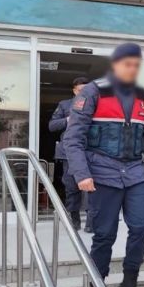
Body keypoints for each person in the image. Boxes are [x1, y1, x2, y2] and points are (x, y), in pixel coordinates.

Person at [62, 43, 144, 287]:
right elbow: (73, 138)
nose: (132, 69)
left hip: (135, 174)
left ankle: (129, 286)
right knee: (105, 235)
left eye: (136, 65)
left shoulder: (143, 96)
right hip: (102, 174)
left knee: (141, 228)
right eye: (127, 64)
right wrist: (82, 173)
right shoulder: (93, 92)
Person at [49, 76, 89, 231]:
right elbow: (52, 126)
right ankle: (74, 220)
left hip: (90, 152)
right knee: (72, 188)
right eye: (80, 90)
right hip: (69, 154)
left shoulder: (96, 105)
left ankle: (91, 223)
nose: (84, 93)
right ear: (74, 91)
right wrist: (68, 119)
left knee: (92, 188)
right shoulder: (64, 105)